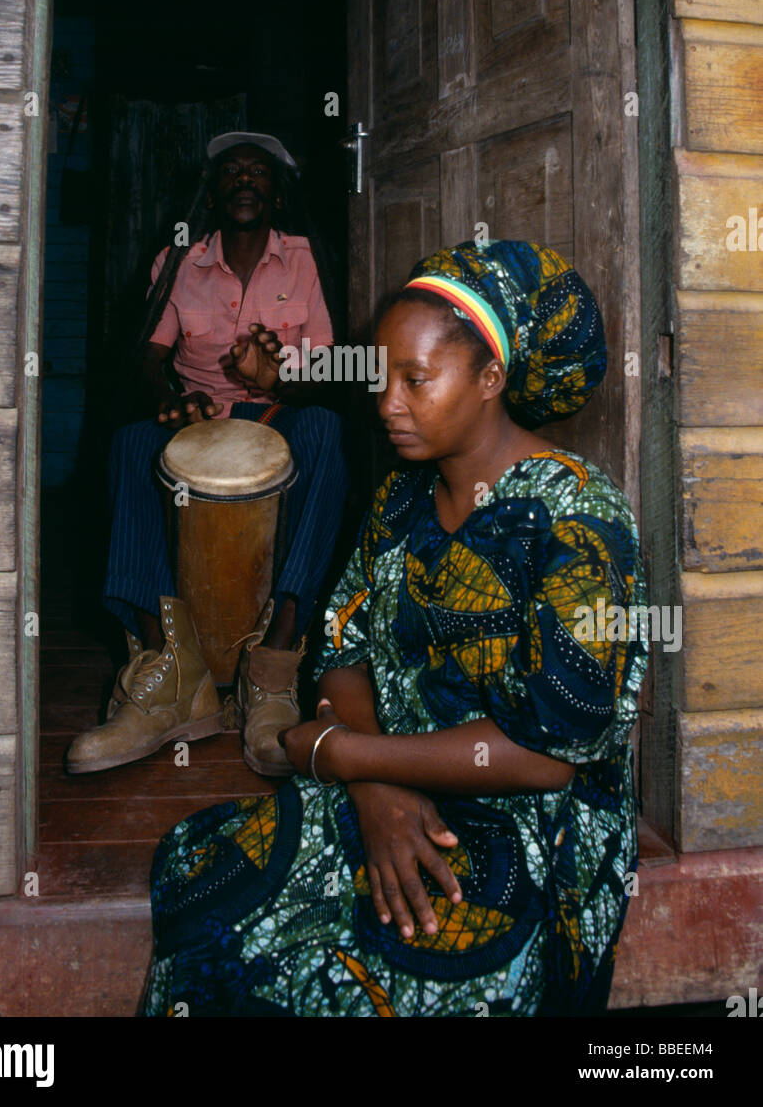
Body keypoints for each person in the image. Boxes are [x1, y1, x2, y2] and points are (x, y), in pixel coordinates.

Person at [141, 238, 650, 1018]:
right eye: (383, 379)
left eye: (417, 380)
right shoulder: (401, 501)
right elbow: (342, 645)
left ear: (491, 379)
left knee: (403, 966)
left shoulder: (581, 521)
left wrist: (346, 754)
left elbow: (550, 755)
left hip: (526, 823)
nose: (388, 404)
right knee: (204, 879)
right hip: (389, 778)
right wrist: (375, 783)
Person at [66, 132, 348, 778]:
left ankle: (273, 668)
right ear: (213, 191)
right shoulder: (179, 262)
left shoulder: (303, 259)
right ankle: (169, 671)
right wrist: (173, 397)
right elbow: (148, 357)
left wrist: (280, 381)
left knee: (327, 430)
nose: (245, 180)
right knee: (132, 443)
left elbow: (330, 366)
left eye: (258, 172)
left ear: (276, 193)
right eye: (231, 172)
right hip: (198, 418)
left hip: (274, 416)